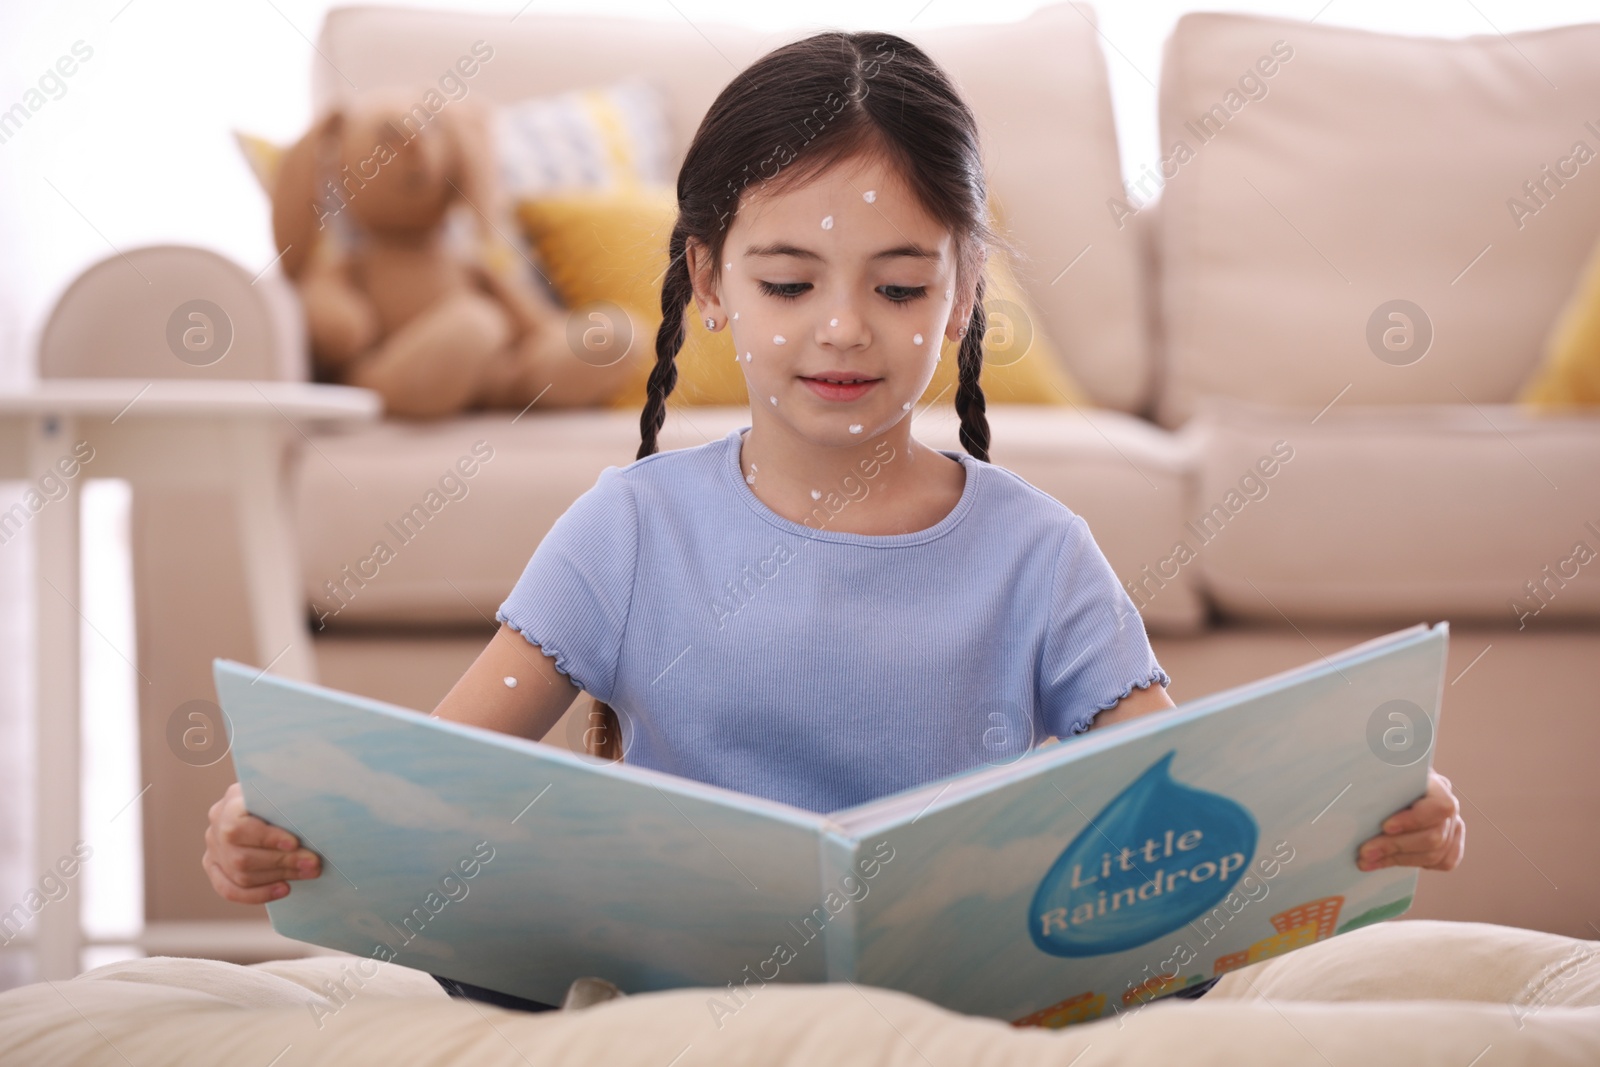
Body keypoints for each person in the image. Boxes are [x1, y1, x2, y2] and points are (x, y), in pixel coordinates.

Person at [202, 29, 1466, 1014]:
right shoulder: (627, 530)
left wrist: (1353, 816)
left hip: (970, 1003)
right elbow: (433, 791)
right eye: (787, 280)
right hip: (672, 1001)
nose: (844, 328)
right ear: (705, 280)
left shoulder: (1039, 553)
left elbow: (1187, 823)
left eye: (902, 283)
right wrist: (281, 824)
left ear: (966, 292)